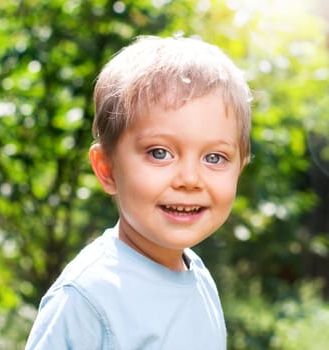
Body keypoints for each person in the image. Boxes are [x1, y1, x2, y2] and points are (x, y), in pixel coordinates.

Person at [25, 35, 252, 349]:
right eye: (159, 153)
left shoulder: (198, 277)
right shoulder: (88, 297)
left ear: (239, 169)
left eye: (214, 158)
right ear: (107, 169)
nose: (189, 179)